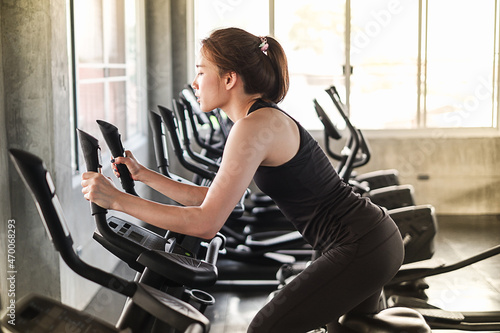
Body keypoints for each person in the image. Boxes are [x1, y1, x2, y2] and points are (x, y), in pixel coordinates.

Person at [81, 27, 404, 332]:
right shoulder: (258, 119)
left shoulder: (253, 127)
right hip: (365, 241)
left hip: (359, 245)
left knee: (264, 328)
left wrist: (117, 201)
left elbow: (206, 223)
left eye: (201, 71)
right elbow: (216, 198)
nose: (195, 82)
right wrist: (144, 176)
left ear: (229, 78)